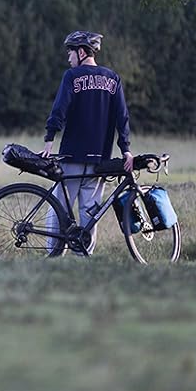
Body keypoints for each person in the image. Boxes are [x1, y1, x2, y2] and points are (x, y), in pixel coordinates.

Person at [41, 31, 132, 253]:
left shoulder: (72, 76)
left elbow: (59, 109)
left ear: (81, 52)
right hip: (99, 159)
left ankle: (53, 254)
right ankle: (84, 255)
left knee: (59, 208)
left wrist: (49, 139)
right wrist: (126, 150)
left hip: (72, 155)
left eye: (70, 52)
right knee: (90, 213)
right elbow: (123, 117)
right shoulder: (113, 78)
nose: (68, 58)